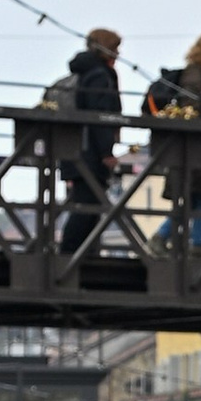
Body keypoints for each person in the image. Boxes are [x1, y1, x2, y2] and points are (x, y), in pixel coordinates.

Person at [146, 28, 201, 249]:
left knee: (197, 197)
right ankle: (195, 243)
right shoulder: (196, 73)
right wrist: (197, 118)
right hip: (196, 147)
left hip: (200, 147)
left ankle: (171, 239)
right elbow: (190, 103)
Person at [55, 27, 124, 257]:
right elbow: (99, 116)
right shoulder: (99, 76)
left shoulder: (85, 72)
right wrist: (106, 152)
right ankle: (70, 257)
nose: (118, 53)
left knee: (88, 206)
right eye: (115, 48)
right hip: (89, 154)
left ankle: (78, 256)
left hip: (76, 150)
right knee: (88, 208)